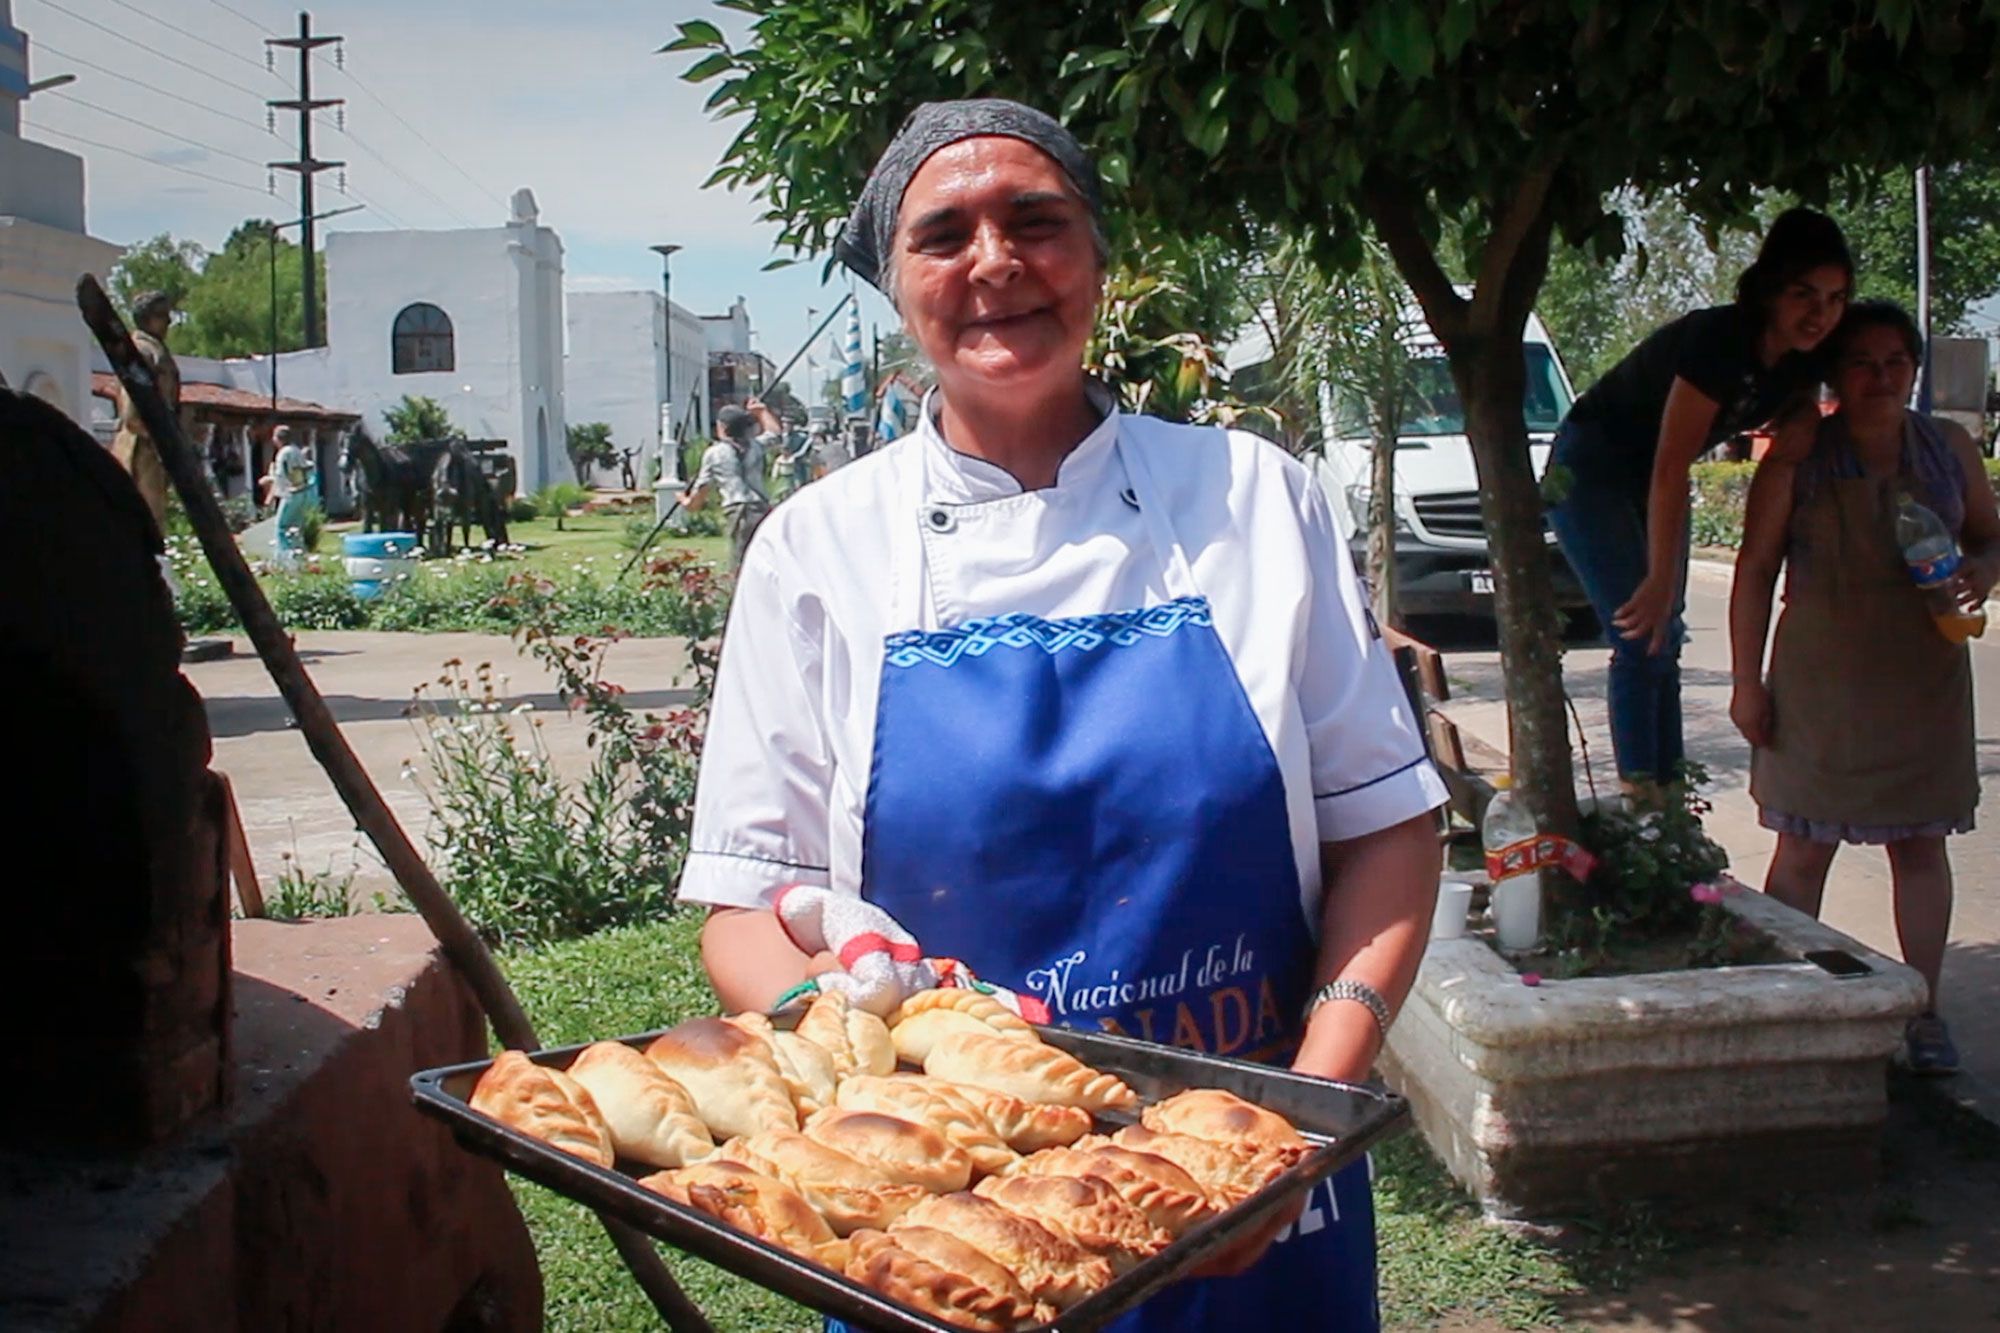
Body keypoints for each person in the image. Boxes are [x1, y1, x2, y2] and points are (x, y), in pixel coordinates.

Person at [676, 99, 1447, 1332]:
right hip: (950, 1230)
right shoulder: (814, 550)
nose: (995, 262)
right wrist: (827, 1019)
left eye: (1036, 221)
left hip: (1254, 1199)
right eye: (945, 235)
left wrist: (1309, 1111)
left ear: (1092, 252)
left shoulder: (1250, 498)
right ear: (897, 282)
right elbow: (743, 908)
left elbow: (1387, 829)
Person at [1730, 301, 1998, 1076]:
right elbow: (1753, 571)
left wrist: (1983, 569)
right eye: (1862, 362)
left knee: (1921, 846)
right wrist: (1747, 683)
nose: (1881, 378)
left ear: (1914, 370)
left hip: (1925, 677)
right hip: (1819, 683)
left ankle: (1925, 1010)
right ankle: (1789, 1005)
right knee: (1804, 848)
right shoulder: (1802, 453)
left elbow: (1990, 534)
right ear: (1835, 375)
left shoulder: (1948, 449)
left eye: (1895, 363)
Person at [1548, 209, 1852, 784]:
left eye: (1835, 299)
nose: (1820, 314)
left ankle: (1670, 804)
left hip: (1653, 480)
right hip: (1593, 467)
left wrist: (1803, 409)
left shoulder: (1805, 357)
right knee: (1641, 634)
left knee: (1666, 640)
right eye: (1804, 295)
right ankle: (1646, 804)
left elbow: (1797, 402)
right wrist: (1659, 581)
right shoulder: (1719, 341)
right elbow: (1670, 467)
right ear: (1770, 289)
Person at [111, 289, 181, 533]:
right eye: (162, 315)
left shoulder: (156, 350)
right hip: (142, 447)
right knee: (144, 523)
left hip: (155, 446)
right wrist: (160, 436)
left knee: (155, 521)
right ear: (146, 318)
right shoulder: (141, 351)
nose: (169, 321)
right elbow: (132, 415)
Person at [679, 398, 777, 569]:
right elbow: (775, 434)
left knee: (741, 561)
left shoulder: (714, 453)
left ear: (722, 427)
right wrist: (762, 411)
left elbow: (702, 488)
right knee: (766, 558)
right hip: (761, 506)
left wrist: (687, 502)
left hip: (738, 509)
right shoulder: (756, 446)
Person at [261, 425, 315, 567]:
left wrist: (268, 480)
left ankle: (284, 561)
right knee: (296, 527)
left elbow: (281, 477)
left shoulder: (283, 454)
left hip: (291, 493)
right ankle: (299, 558)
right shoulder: (297, 450)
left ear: (278, 438)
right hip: (303, 492)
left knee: (281, 527)